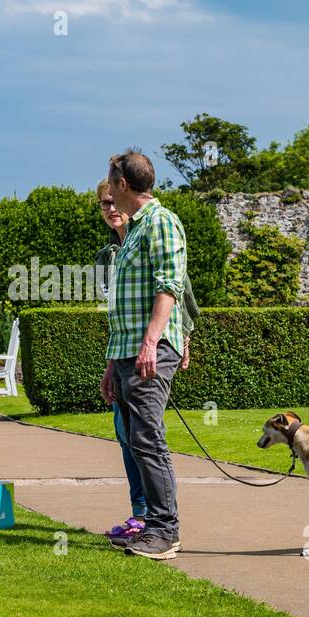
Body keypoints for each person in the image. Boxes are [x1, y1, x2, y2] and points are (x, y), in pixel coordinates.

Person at [94, 178, 198, 543]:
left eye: (113, 200)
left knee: (145, 437)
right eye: (102, 205)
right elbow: (117, 312)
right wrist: (110, 363)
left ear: (124, 190)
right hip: (123, 351)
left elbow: (175, 289)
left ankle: (161, 527)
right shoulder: (112, 253)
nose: (110, 209)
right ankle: (145, 518)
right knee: (129, 438)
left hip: (150, 348)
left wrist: (175, 338)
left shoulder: (157, 225)